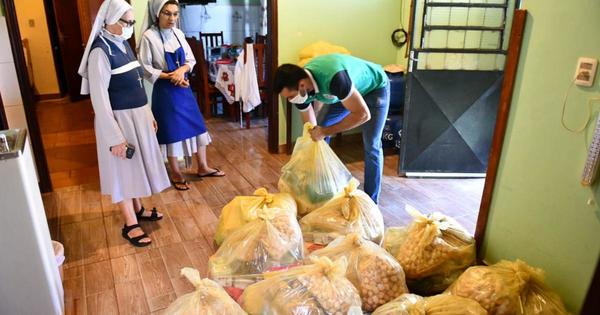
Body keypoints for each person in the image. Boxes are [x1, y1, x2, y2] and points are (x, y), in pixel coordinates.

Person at [77, 0, 170, 247]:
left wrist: (148, 113)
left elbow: (138, 83)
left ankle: (137, 208)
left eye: (132, 22)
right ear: (110, 20)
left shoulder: (122, 44)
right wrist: (115, 138)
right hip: (119, 121)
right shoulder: (100, 52)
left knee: (135, 168)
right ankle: (130, 224)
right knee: (122, 172)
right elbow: (99, 99)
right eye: (126, 22)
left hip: (137, 116)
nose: (130, 27)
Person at [274, 54, 390, 203]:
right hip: (346, 93)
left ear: (302, 85)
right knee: (318, 134)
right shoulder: (303, 91)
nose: (291, 100)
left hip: (374, 87)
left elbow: (362, 115)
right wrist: (317, 134)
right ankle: (322, 189)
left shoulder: (334, 78)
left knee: (371, 144)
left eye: (291, 96)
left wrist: (325, 131)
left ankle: (371, 202)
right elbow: (313, 129)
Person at [138, 0, 224, 191]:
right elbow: (145, 66)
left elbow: (190, 59)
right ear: (157, 14)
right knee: (171, 131)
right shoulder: (148, 37)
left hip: (183, 88)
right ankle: (176, 172)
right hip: (165, 90)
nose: (172, 18)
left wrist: (182, 70)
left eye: (175, 14)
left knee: (198, 126)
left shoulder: (178, 34)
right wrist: (170, 75)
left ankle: (202, 166)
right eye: (167, 13)